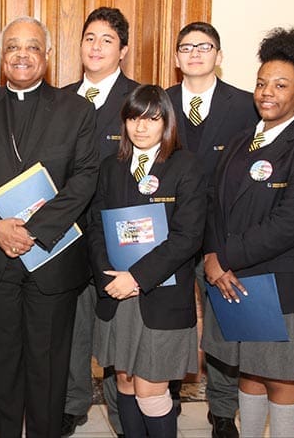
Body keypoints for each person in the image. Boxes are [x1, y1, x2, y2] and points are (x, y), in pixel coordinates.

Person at [0, 16, 100, 437]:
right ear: (1, 56)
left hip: (52, 258)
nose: (22, 54)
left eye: (32, 47)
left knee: (48, 365)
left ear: (47, 56)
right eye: (13, 46)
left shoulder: (77, 109)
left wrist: (34, 230)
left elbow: (86, 176)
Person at [202, 27, 294, 438]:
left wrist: (223, 256)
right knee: (250, 372)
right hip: (236, 282)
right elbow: (216, 206)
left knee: (281, 378)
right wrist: (213, 254)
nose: (267, 92)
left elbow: (292, 222)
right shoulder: (240, 142)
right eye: (262, 83)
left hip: (284, 286)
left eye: (280, 85)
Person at [88, 84, 205, 437]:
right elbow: (96, 224)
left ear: (166, 122)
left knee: (150, 390)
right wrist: (109, 277)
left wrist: (136, 277)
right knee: (124, 381)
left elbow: (188, 237)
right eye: (133, 118)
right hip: (117, 294)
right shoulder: (111, 167)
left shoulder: (186, 166)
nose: (141, 127)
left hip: (161, 297)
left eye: (151, 119)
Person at [166, 21, 258, 438]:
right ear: (176, 58)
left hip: (221, 233)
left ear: (219, 56)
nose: (196, 54)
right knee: (164, 315)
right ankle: (163, 388)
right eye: (187, 47)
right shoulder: (160, 102)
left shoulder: (245, 105)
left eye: (205, 47)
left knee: (224, 323)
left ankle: (223, 409)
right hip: (167, 232)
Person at [61, 6, 139, 438]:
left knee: (117, 328)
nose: (96, 46)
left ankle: (120, 409)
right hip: (67, 233)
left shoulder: (139, 98)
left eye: (107, 40)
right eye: (90, 37)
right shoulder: (59, 96)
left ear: (122, 50)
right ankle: (73, 404)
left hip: (117, 234)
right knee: (72, 325)